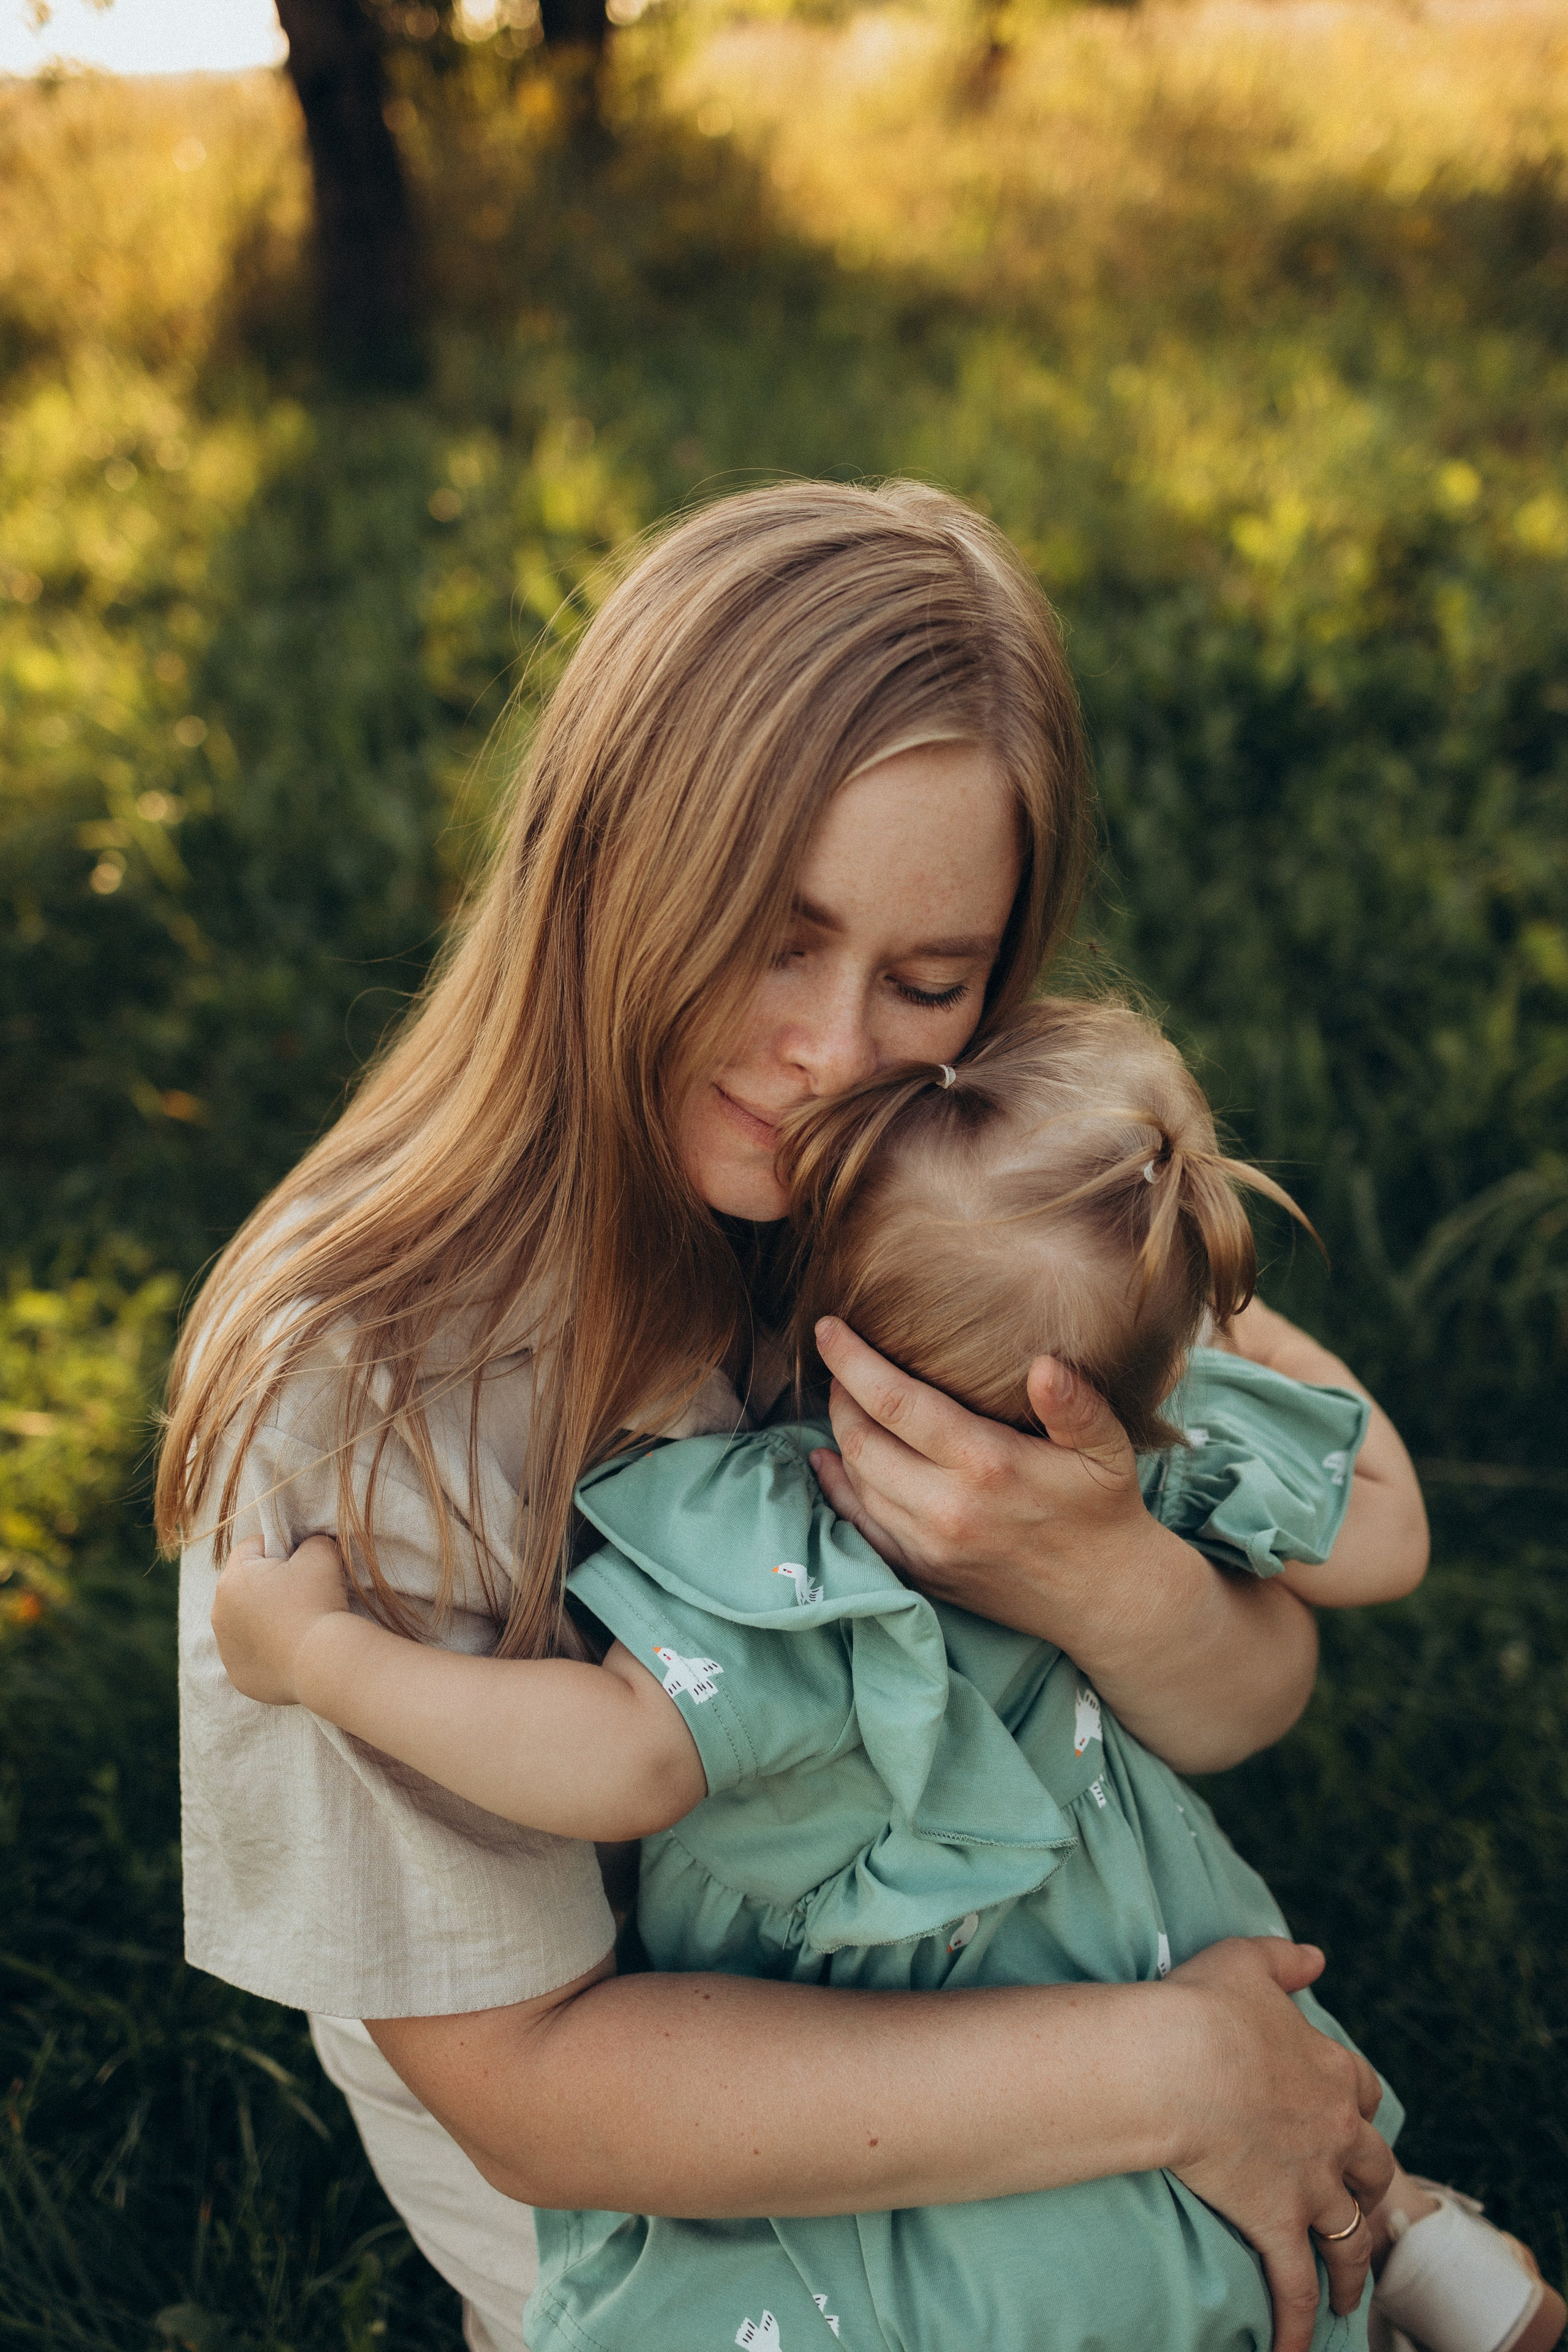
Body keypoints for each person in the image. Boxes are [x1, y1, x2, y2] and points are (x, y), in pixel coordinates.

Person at [163, 480, 1415, 2352]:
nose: (833, 1058)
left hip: (1011, 2022)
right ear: (605, 863)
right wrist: (1178, 2071)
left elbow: (1255, 1680)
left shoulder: (956, 1203)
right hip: (684, 2222)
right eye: (770, 935)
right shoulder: (360, 1392)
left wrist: (1100, 1573)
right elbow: (532, 2097)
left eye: (928, 981)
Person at [209, 997, 1562, 2352]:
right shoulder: (1135, 1454)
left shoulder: (790, 1549)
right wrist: (1219, 1321)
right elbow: (1386, 1528)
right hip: (1161, 1956)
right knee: (1284, 2189)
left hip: (924, 2095)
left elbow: (616, 1760)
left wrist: (321, 1656)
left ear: (824, 1324)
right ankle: (1417, 2253)